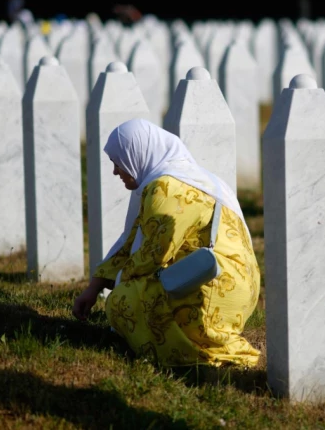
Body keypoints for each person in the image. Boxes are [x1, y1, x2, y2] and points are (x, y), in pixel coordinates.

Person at [73, 119, 261, 367]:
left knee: (121, 302)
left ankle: (198, 357)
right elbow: (131, 244)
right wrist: (95, 287)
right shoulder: (189, 178)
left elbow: (154, 253)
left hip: (212, 285)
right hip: (234, 285)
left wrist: (120, 284)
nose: (115, 171)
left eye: (118, 162)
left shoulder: (166, 187)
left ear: (136, 154)